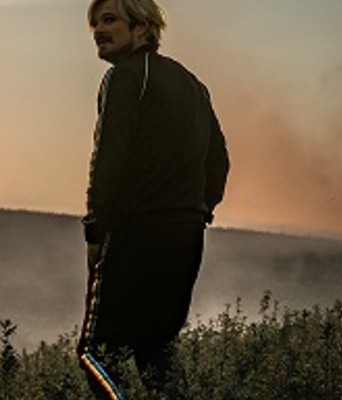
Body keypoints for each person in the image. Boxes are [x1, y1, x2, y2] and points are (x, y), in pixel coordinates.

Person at [77, 1, 230, 399]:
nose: (98, 30)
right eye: (95, 23)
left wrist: (95, 232)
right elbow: (219, 161)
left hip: (135, 235)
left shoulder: (125, 77)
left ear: (142, 27)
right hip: (187, 240)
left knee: (96, 354)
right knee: (155, 350)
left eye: (109, 20)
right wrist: (199, 213)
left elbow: (108, 158)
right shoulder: (193, 84)